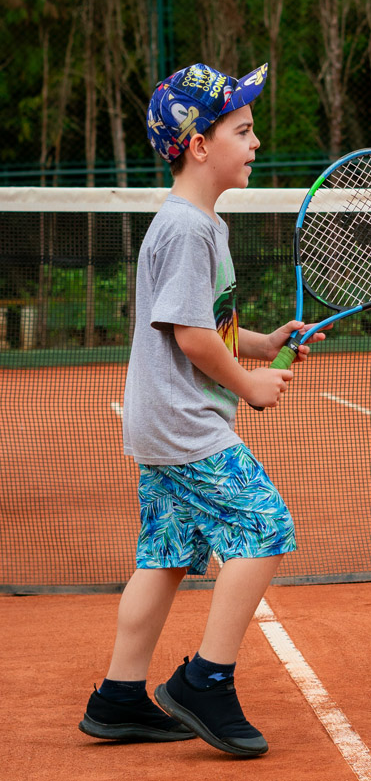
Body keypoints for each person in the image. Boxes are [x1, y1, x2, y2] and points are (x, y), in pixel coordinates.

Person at [79, 62, 326, 757]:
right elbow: (190, 339)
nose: (255, 142)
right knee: (265, 526)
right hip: (186, 424)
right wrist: (249, 384)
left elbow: (205, 324)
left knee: (163, 556)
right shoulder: (188, 229)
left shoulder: (199, 224)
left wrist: (262, 342)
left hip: (160, 423)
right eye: (242, 131)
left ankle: (119, 697)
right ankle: (205, 682)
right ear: (198, 145)